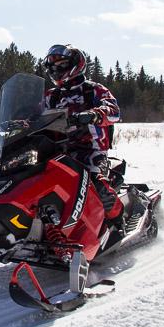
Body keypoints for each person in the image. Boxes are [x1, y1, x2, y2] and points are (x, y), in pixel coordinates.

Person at [42, 44, 123, 230]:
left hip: (91, 150)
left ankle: (118, 221)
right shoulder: (51, 96)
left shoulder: (93, 90)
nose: (56, 70)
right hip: (57, 150)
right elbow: (34, 115)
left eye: (61, 65)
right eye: (53, 67)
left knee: (96, 185)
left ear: (75, 64)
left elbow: (114, 111)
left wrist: (94, 114)